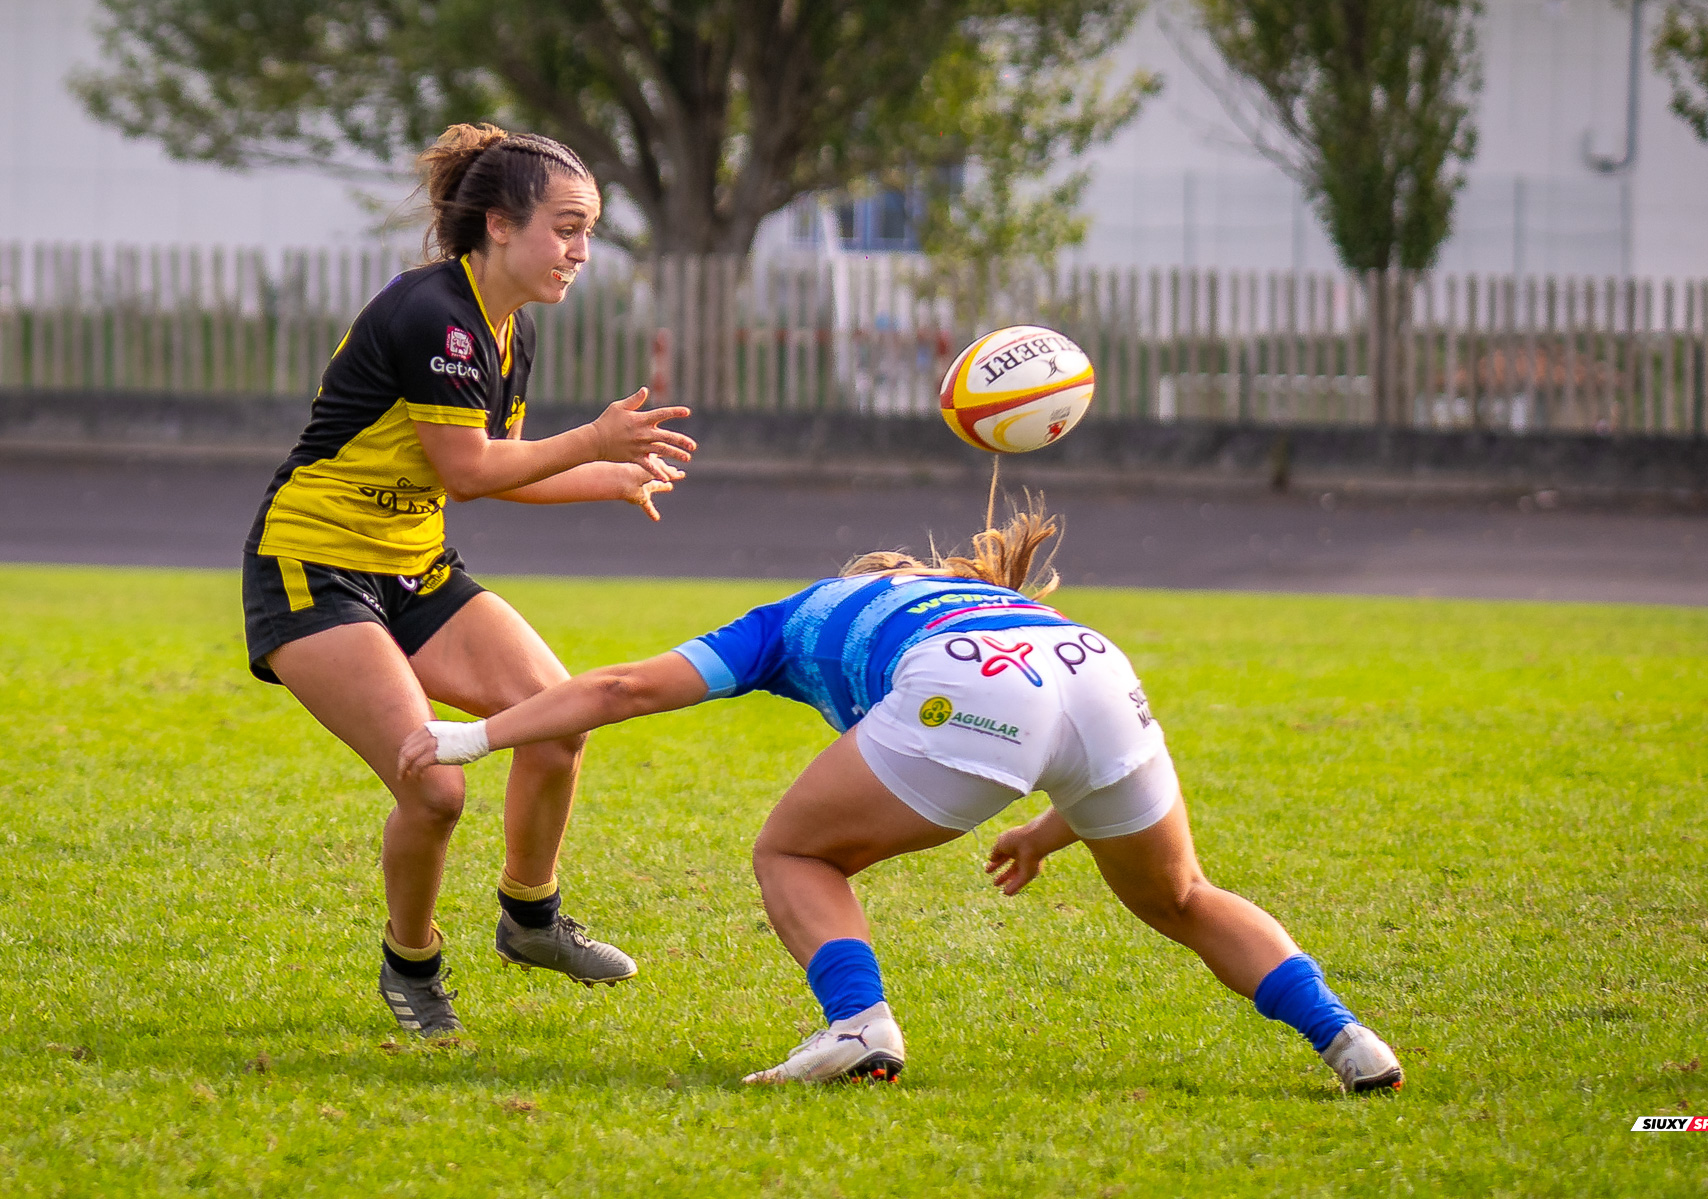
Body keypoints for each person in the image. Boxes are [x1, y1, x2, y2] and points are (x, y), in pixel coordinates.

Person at [396, 502, 1406, 1092]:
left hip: (972, 691)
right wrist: (1055, 833)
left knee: (795, 853)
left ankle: (859, 1022)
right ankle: (1349, 1039)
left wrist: (474, 734)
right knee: (1182, 894)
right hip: (1092, 662)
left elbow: (619, 689)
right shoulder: (981, 594)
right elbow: (1066, 726)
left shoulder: (793, 617)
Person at [242, 123, 696, 1038]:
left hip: (416, 567)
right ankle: (411, 963)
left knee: (559, 716)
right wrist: (596, 442)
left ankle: (530, 920)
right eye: (567, 227)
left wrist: (607, 476)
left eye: (589, 231)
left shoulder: (506, 333)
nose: (581, 250)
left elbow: (499, 465)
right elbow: (471, 471)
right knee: (435, 787)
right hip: (315, 568)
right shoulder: (432, 315)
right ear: (498, 224)